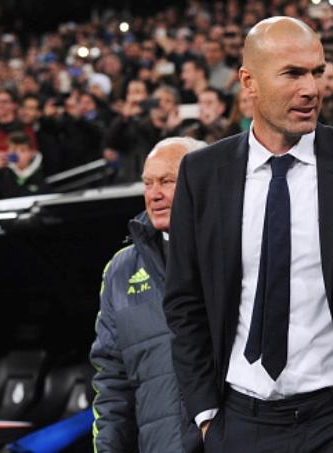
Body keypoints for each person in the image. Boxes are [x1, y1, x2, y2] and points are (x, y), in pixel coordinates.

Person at [163, 17, 333, 453]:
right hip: (241, 423)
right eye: (292, 74)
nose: (311, 89)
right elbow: (184, 301)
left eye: (317, 72)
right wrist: (205, 414)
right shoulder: (202, 174)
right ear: (249, 82)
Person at [90, 136, 207, 453]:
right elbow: (112, 381)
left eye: (167, 181)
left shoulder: (237, 251)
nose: (154, 194)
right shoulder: (120, 271)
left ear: (203, 182)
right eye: (148, 183)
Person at [0, 131, 50, 201]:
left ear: (32, 153)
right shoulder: (2, 173)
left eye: (22, 150)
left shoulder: (42, 172)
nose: (17, 154)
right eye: (13, 150)